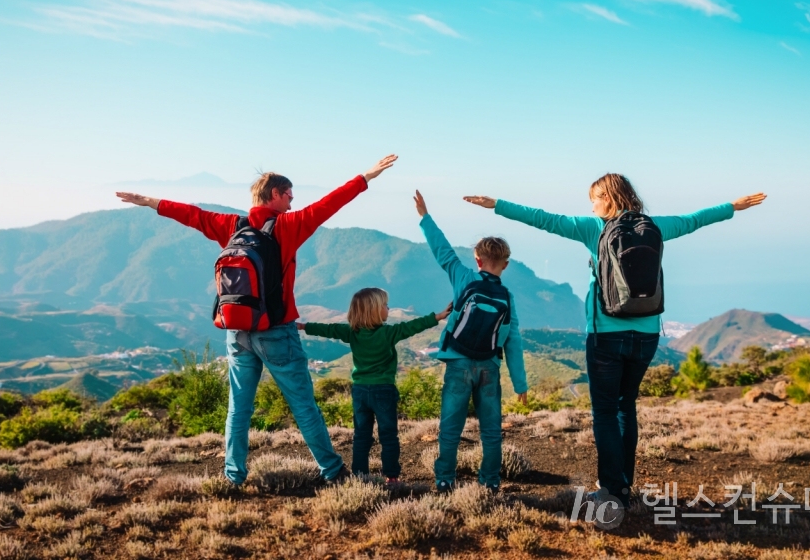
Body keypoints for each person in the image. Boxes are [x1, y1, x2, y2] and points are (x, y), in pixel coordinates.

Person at [464, 174, 766, 507]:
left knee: (605, 412)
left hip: (607, 335)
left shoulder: (594, 228)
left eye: (594, 198)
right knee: (626, 407)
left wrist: (497, 206)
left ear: (607, 198)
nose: (591, 205)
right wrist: (732, 207)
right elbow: (693, 220)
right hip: (647, 335)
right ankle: (624, 485)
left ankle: (612, 491)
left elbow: (545, 220)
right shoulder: (655, 226)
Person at [115, 154, 398, 485]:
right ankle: (333, 472)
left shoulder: (232, 226)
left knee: (239, 408)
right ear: (275, 195)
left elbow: (193, 216)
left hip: (236, 331)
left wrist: (151, 202)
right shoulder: (287, 226)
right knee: (304, 406)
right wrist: (365, 177)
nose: (293, 203)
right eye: (289, 196)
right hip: (277, 332)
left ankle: (233, 476)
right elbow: (329, 204)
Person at [414, 190, 528, 493]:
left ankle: (444, 479)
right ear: (505, 264)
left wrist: (425, 217)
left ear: (477, 260)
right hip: (489, 367)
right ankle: (490, 482)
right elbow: (512, 342)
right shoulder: (508, 297)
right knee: (491, 432)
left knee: (450, 429)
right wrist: (521, 385)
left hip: (458, 362)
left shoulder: (464, 278)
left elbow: (443, 252)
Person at [298, 288, 451, 482]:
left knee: (361, 436)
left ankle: (360, 475)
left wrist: (304, 326)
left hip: (360, 391)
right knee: (388, 435)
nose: (388, 308)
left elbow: (329, 329)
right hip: (383, 391)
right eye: (385, 305)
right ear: (375, 311)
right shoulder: (389, 333)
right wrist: (437, 316)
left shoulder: (351, 332)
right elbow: (413, 326)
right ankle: (392, 476)